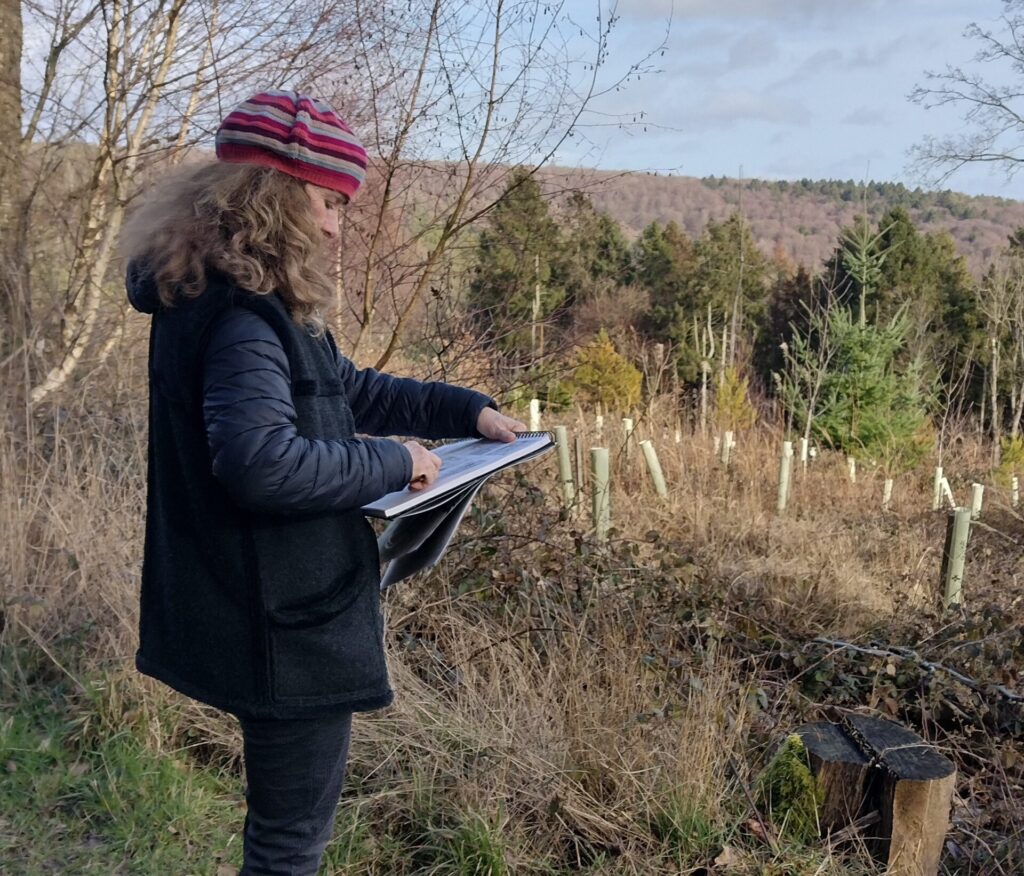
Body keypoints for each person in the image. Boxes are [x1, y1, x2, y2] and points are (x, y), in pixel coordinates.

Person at [120, 89, 525, 875]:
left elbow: (346, 388)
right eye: (330, 200)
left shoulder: (236, 299)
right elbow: (261, 462)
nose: (339, 225)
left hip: (251, 606)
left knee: (283, 839)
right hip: (281, 622)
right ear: (271, 195)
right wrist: (395, 461)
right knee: (288, 848)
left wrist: (465, 411)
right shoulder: (244, 317)